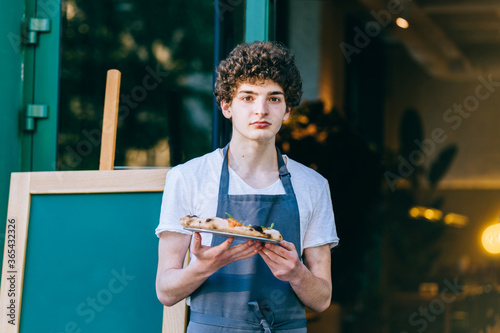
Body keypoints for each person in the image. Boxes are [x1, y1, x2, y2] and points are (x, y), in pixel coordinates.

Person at [155, 40, 339, 332]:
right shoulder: (188, 177)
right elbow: (165, 290)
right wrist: (203, 266)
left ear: (287, 110)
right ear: (227, 106)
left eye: (274, 99)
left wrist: (296, 274)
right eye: (248, 97)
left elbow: (322, 299)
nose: (261, 110)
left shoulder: (313, 185)